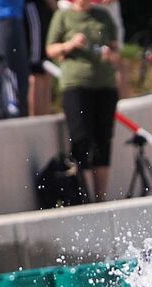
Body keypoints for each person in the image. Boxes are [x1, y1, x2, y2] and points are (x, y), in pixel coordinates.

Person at [46, 0, 119, 202]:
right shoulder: (63, 16)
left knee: (103, 139)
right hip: (76, 84)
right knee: (81, 138)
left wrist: (109, 55)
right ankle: (82, 193)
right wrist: (70, 44)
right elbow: (50, 49)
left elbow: (115, 50)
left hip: (104, 84)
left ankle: (100, 196)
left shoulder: (103, 16)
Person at [23, 0, 55, 116]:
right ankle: (35, 118)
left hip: (45, 10)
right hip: (34, 7)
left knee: (46, 71)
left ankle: (45, 115)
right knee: (37, 69)